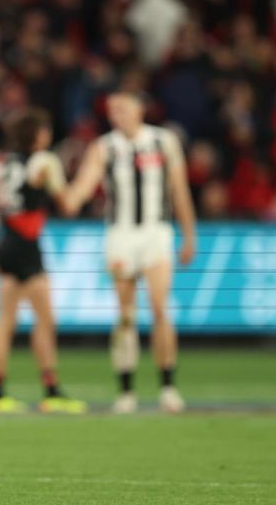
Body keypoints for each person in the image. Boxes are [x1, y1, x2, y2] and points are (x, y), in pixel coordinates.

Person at [64, 91, 197, 414]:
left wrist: (189, 234)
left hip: (156, 232)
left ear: (139, 110)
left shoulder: (164, 142)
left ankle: (167, 385)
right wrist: (71, 198)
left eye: (122, 109)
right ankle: (126, 390)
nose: (116, 116)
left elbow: (179, 189)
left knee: (159, 308)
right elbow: (85, 182)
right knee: (125, 314)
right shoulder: (104, 147)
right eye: (111, 112)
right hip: (121, 235)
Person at [0, 108, 87, 414]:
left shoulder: (0, 164)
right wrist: (79, 189)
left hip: (6, 241)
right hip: (28, 243)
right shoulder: (45, 161)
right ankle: (51, 391)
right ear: (38, 135)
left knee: (4, 320)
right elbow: (66, 205)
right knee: (45, 320)